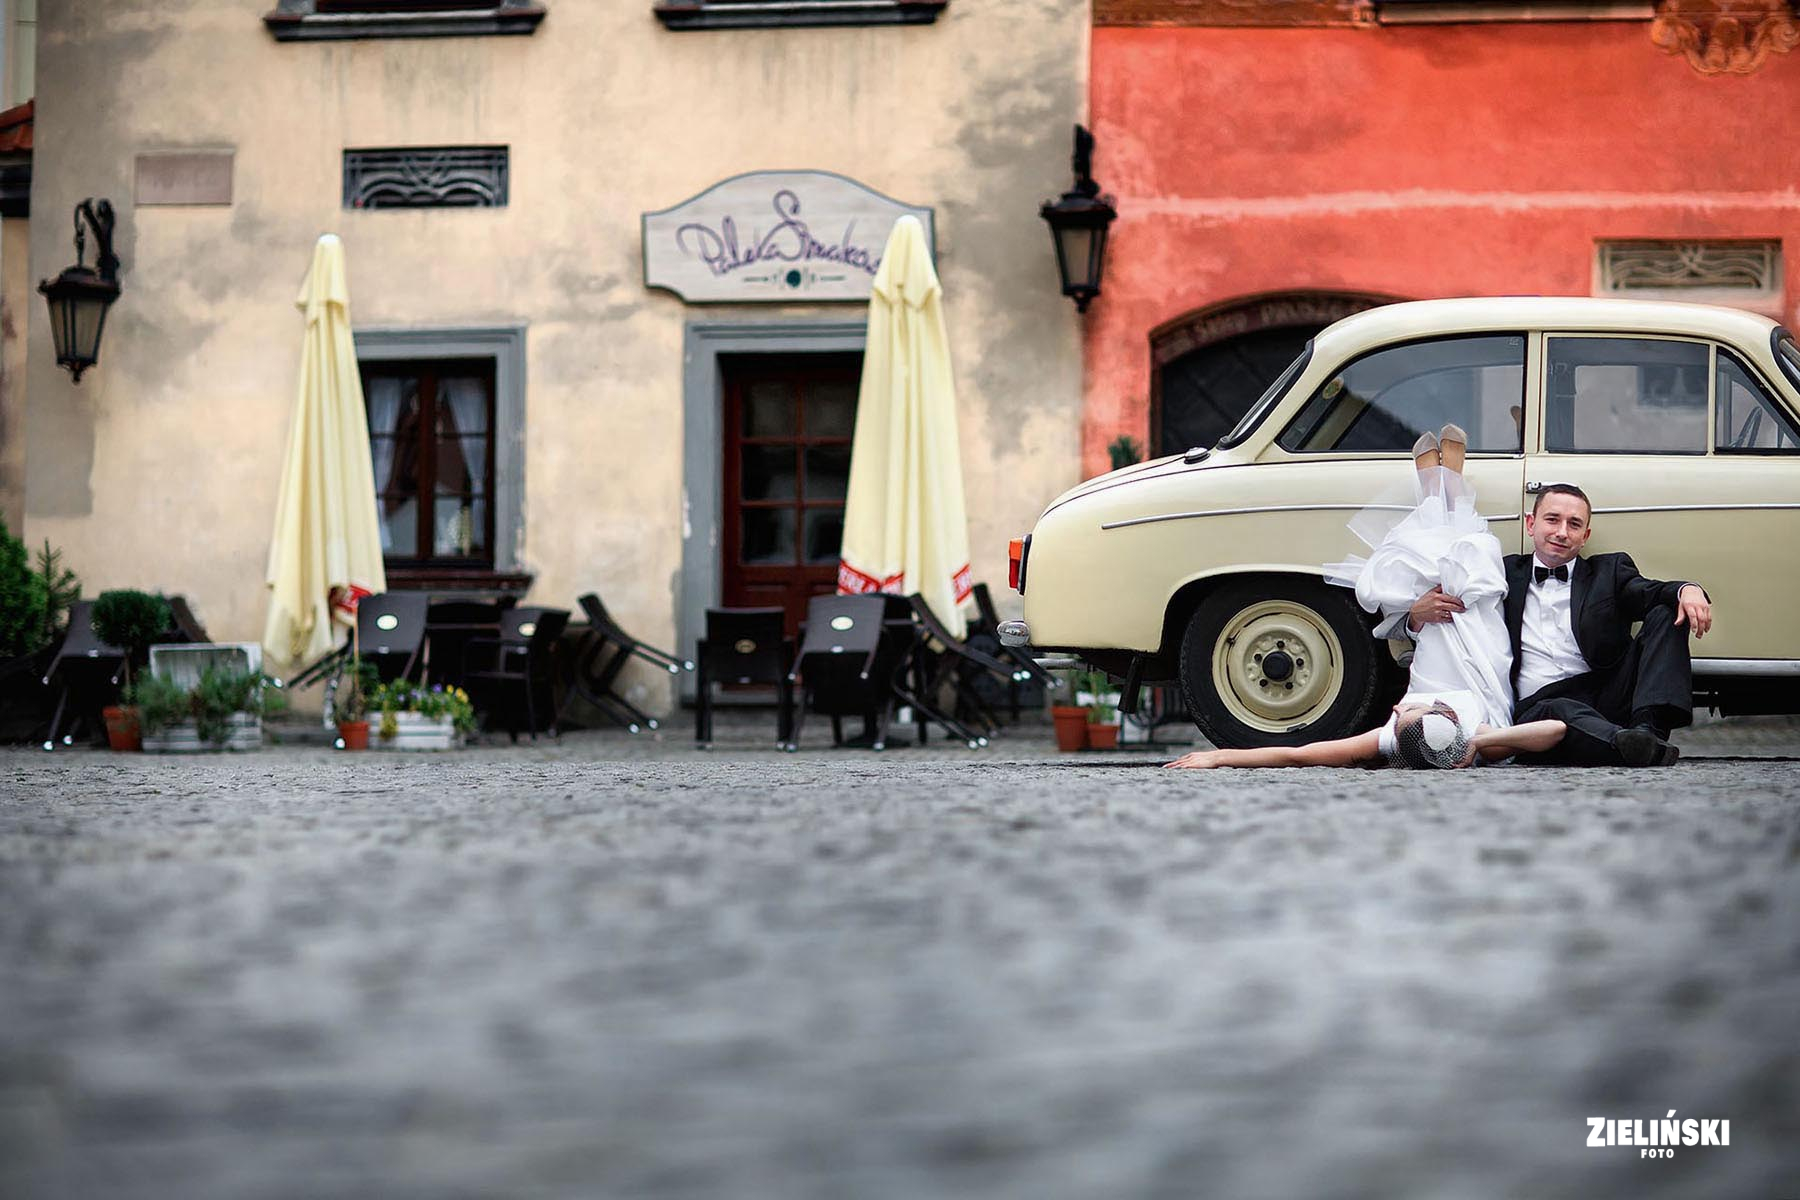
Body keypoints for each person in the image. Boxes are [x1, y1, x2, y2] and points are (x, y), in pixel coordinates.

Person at [1167, 424, 1566, 770]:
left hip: (1432, 646)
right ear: (1441, 718)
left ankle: (1436, 493)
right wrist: (1478, 742)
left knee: (1427, 592)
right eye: (1408, 711)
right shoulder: (1474, 732)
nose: (1396, 707)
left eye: (1400, 715)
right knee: (1467, 589)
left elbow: (1301, 755)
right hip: (1482, 654)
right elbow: (1553, 731)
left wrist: (1221, 757)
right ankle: (1448, 491)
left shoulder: (1394, 736)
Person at [1406, 482, 1711, 768]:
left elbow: (1651, 593)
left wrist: (1687, 589)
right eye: (1552, 520)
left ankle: (1646, 731)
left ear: (1585, 535)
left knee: (1666, 612)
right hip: (1542, 706)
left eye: (1574, 524)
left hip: (1607, 693)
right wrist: (1416, 617)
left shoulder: (1609, 570)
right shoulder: (1501, 572)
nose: (1562, 532)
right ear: (1530, 524)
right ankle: (1625, 743)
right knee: (1561, 709)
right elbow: (1454, 619)